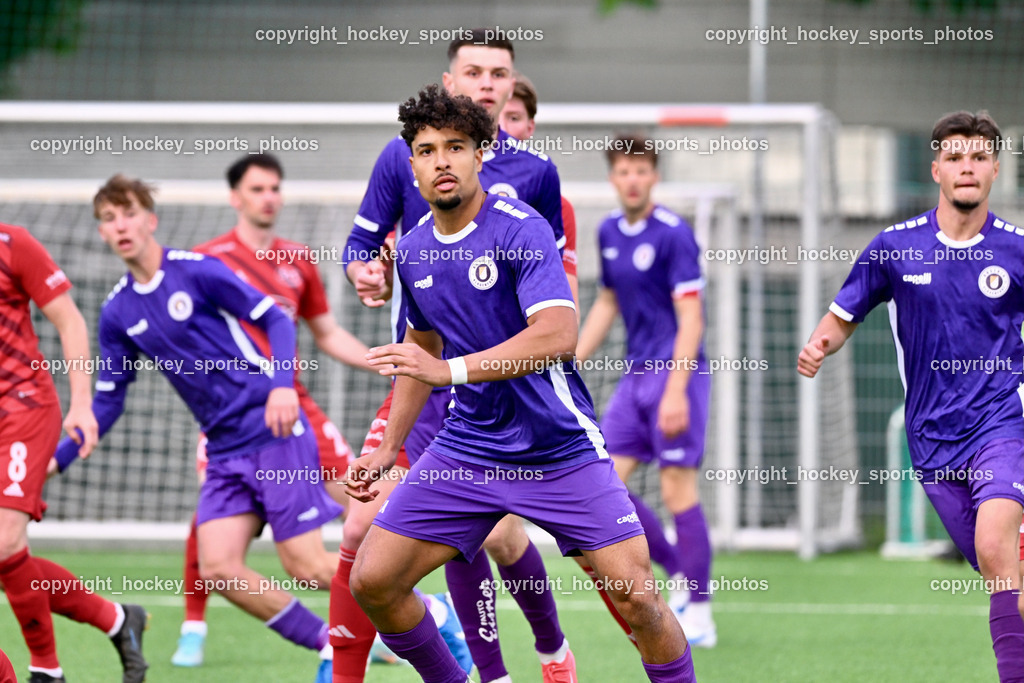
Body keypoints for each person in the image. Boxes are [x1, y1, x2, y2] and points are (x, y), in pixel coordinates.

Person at [346, 83, 696, 683]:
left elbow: (557, 334)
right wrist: (383, 449)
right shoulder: (414, 251)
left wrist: (449, 371)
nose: (442, 161)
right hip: (470, 447)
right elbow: (422, 349)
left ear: (480, 155)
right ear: (413, 167)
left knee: (638, 597)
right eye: (427, 151)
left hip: (558, 446)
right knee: (373, 580)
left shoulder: (522, 227)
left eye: (456, 147)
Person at [336, 28, 572, 683]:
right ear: (450, 83)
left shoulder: (535, 174)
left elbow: (559, 278)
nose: (487, 83)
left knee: (504, 536)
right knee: (391, 535)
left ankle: (552, 648)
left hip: (514, 385)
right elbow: (361, 244)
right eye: (474, 71)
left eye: (500, 73)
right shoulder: (403, 156)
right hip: (428, 378)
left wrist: (553, 338)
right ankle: (481, 674)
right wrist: (367, 272)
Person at [54, 174, 343, 683]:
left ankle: (423, 611)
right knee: (219, 569)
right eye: (108, 218)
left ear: (150, 220)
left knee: (308, 567)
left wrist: (280, 386)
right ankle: (329, 645)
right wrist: (56, 458)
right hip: (226, 448)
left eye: (128, 214)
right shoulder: (118, 312)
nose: (120, 226)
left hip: (272, 428)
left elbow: (275, 320)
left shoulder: (198, 271)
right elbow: (108, 401)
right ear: (101, 232)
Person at [798, 110, 1024, 682]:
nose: (966, 167)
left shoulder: (1018, 249)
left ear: (995, 169)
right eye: (955, 158)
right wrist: (821, 343)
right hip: (931, 442)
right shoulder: (894, 247)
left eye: (978, 157)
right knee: (1001, 572)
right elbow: (845, 312)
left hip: (1003, 422)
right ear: (936, 170)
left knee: (999, 547)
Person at [169, 153, 376, 668]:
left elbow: (325, 333)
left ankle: (387, 614)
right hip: (231, 421)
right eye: (258, 189)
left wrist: (387, 363)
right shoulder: (204, 262)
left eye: (275, 188)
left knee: (362, 509)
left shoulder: (298, 260)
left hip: (294, 414)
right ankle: (194, 623)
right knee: (214, 527)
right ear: (236, 197)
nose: (269, 198)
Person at [576, 133, 716, 647]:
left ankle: (700, 610)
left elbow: (691, 317)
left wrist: (677, 390)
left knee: (678, 489)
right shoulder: (609, 230)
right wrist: (568, 362)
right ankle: (679, 567)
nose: (632, 179)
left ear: (654, 175)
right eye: (623, 171)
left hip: (678, 375)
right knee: (605, 484)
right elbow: (608, 302)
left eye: (641, 170)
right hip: (635, 378)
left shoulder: (674, 233)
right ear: (612, 178)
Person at [0, 222, 147, 683]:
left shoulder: (12, 243)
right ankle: (118, 620)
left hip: (23, 409)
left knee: (4, 541)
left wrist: (82, 402)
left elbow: (69, 319)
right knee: (9, 553)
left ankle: (47, 670)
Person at [497, 73, 578, 308]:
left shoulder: (559, 206)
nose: (503, 128)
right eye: (496, 117)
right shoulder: (454, 195)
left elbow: (566, 294)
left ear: (529, 127)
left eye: (513, 118)